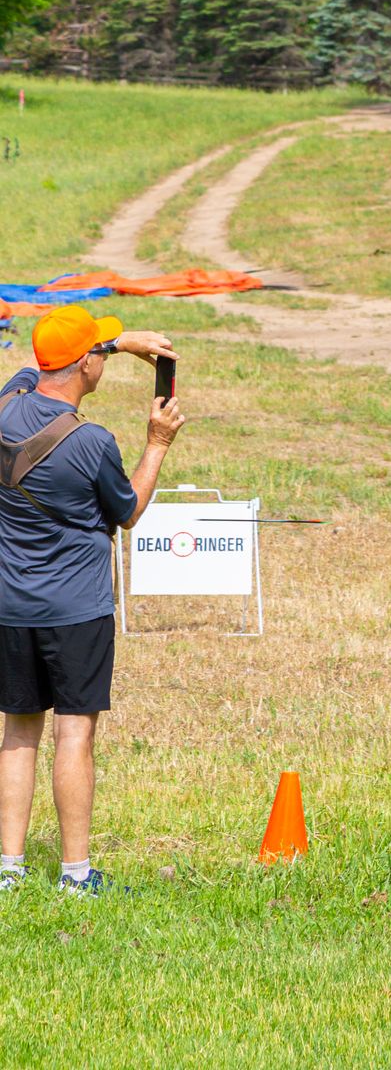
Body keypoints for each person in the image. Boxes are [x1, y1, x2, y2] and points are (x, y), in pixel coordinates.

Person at [0, 307, 182, 896]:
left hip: (9, 606)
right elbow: (128, 512)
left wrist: (118, 341)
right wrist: (157, 443)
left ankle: (8, 870)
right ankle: (76, 875)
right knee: (74, 734)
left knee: (18, 733)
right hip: (76, 610)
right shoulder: (91, 442)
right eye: (99, 353)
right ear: (85, 364)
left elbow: (33, 371)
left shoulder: (5, 405)